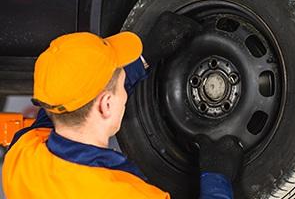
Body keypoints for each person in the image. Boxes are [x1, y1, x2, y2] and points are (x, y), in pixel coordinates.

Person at [2, 12, 243, 199]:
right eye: (120, 85)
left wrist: (143, 59)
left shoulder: (20, 160)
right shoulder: (124, 193)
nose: (124, 92)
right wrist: (217, 176)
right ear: (106, 105)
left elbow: (60, 106)